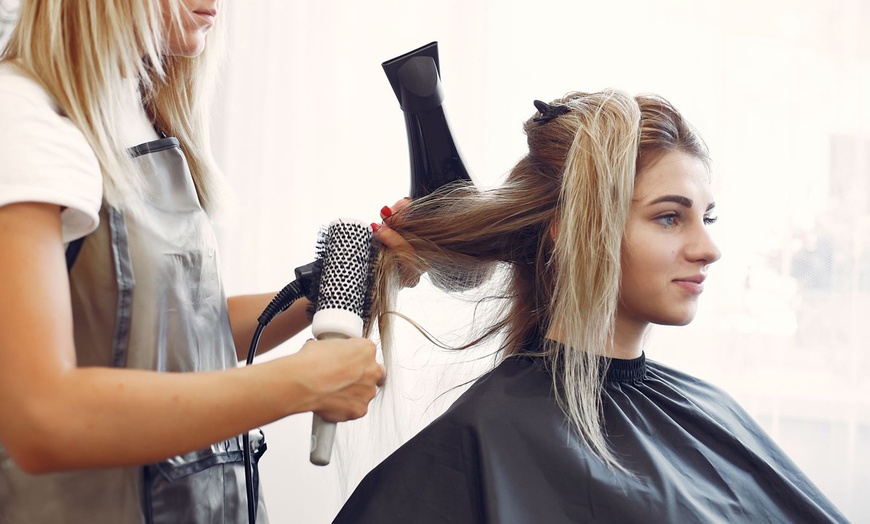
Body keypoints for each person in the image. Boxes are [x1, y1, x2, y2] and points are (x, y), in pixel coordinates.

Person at [334, 90, 848, 523]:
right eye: (670, 218)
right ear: (571, 228)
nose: (707, 249)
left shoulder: (712, 408)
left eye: (706, 219)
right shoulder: (485, 436)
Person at [0, 1, 408, 522]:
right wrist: (299, 382)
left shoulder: (142, 110)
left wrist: (346, 286)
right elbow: (41, 418)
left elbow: (188, 337)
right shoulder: (24, 116)